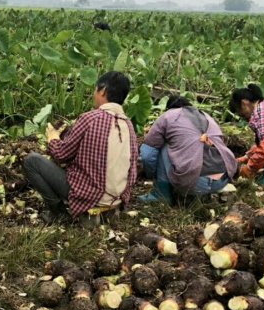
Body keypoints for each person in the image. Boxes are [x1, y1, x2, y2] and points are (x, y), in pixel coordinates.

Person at [24, 71, 139, 223]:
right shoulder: (129, 125)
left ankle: (59, 214)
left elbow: (61, 154)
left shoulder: (90, 118)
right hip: (117, 200)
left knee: (31, 161)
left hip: (90, 197)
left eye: (95, 89)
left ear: (103, 91)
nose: (94, 94)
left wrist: (53, 139)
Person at [138, 96, 237, 202]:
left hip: (195, 183)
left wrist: (152, 174)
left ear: (170, 108)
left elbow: (147, 155)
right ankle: (203, 195)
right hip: (223, 180)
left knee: (163, 147)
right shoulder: (207, 117)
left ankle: (161, 194)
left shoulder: (168, 116)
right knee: (204, 146)